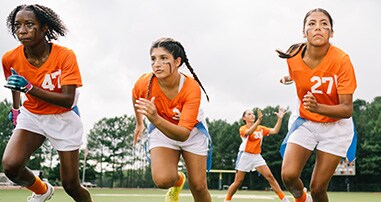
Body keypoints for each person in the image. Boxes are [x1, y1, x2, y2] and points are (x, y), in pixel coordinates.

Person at [2, 4, 93, 202]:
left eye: (29, 24)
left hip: (64, 117)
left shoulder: (65, 55)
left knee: (70, 185)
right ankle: (42, 190)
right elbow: (15, 84)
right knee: (11, 165)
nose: (22, 30)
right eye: (17, 25)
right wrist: (16, 110)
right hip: (32, 115)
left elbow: (68, 101)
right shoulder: (9, 58)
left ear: (44, 28)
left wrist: (30, 89)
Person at [276, 8, 357, 202]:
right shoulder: (293, 55)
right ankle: (302, 199)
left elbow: (347, 109)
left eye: (324, 24)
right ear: (304, 32)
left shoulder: (342, 60)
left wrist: (318, 107)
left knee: (318, 188)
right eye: (312, 24)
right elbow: (304, 73)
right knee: (288, 175)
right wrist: (290, 78)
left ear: (331, 33)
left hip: (335, 126)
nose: (318, 28)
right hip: (306, 121)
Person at [132, 37, 211, 202]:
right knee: (163, 180)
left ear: (177, 62)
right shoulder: (144, 82)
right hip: (162, 131)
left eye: (163, 58)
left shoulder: (191, 87)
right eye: (153, 59)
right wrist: (139, 123)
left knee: (198, 186)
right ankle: (178, 181)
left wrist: (155, 118)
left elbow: (183, 134)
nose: (157, 64)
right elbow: (135, 97)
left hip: (192, 133)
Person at [225, 108, 289, 202]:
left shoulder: (261, 128)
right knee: (238, 181)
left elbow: (275, 131)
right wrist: (258, 121)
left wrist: (280, 118)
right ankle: (227, 200)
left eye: (253, 114)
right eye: (249, 114)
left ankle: (284, 200)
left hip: (256, 156)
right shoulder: (243, 128)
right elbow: (248, 132)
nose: (252, 115)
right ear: (244, 118)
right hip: (245, 156)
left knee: (270, 177)